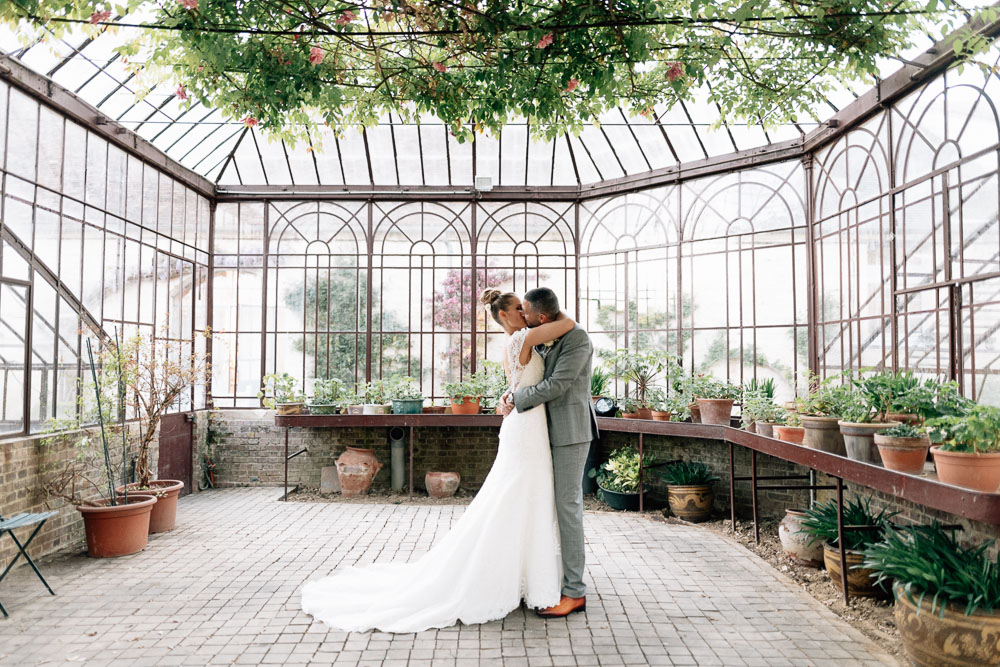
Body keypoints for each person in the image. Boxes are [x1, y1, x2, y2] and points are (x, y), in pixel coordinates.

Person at [300, 289, 578, 633]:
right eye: (519, 309)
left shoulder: (515, 344)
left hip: (525, 424)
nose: (526, 313)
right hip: (525, 427)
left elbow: (521, 380)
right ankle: (515, 575)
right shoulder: (523, 337)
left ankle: (523, 573)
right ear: (506, 316)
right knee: (519, 495)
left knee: (524, 496)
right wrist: (546, 314)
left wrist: (509, 397)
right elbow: (569, 322)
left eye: (526, 309)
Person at [501, 286, 599, 617]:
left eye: (524, 311)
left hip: (570, 432)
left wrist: (517, 400)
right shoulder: (542, 333)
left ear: (541, 316)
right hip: (541, 431)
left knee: (567, 506)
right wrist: (511, 393)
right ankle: (550, 577)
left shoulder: (577, 339)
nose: (521, 317)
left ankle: (574, 592)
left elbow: (557, 384)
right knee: (545, 504)